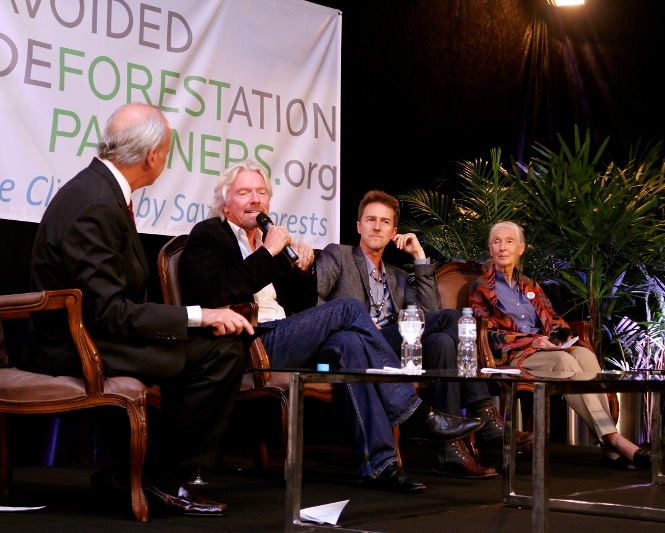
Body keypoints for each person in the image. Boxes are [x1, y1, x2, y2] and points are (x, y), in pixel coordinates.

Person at [178, 160, 483, 494]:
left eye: (261, 192)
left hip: (285, 335)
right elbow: (215, 292)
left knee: (350, 343)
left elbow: (303, 305)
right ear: (226, 204)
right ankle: (414, 414)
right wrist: (268, 253)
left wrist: (302, 270)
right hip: (248, 343)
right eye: (244, 192)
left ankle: (380, 466)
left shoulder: (272, 242)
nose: (255, 199)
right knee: (350, 308)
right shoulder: (209, 235)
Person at [18, 103, 256, 518]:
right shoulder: (95, 203)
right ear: (153, 157)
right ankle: (157, 478)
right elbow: (109, 311)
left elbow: (110, 305)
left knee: (216, 346)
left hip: (96, 330)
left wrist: (199, 321)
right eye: (167, 151)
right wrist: (201, 315)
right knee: (217, 354)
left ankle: (138, 472)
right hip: (73, 345)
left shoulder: (101, 191)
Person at [316, 190, 530, 479]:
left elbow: (428, 313)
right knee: (452, 320)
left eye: (384, 222)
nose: (376, 227)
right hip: (355, 343)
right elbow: (314, 300)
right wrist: (353, 323)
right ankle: (483, 412)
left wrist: (419, 257)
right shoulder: (338, 255)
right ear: (358, 226)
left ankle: (449, 452)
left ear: (394, 231)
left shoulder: (397, 276)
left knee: (441, 339)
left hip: (394, 347)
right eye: (370, 220)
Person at [469, 220, 652, 470]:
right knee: (564, 361)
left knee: (585, 355)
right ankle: (613, 440)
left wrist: (558, 338)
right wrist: (534, 341)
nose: (502, 247)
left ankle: (609, 449)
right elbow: (488, 335)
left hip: (545, 350)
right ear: (490, 249)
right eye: (496, 242)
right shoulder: (481, 287)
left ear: (520, 248)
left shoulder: (530, 286)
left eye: (509, 241)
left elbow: (554, 320)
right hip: (513, 356)